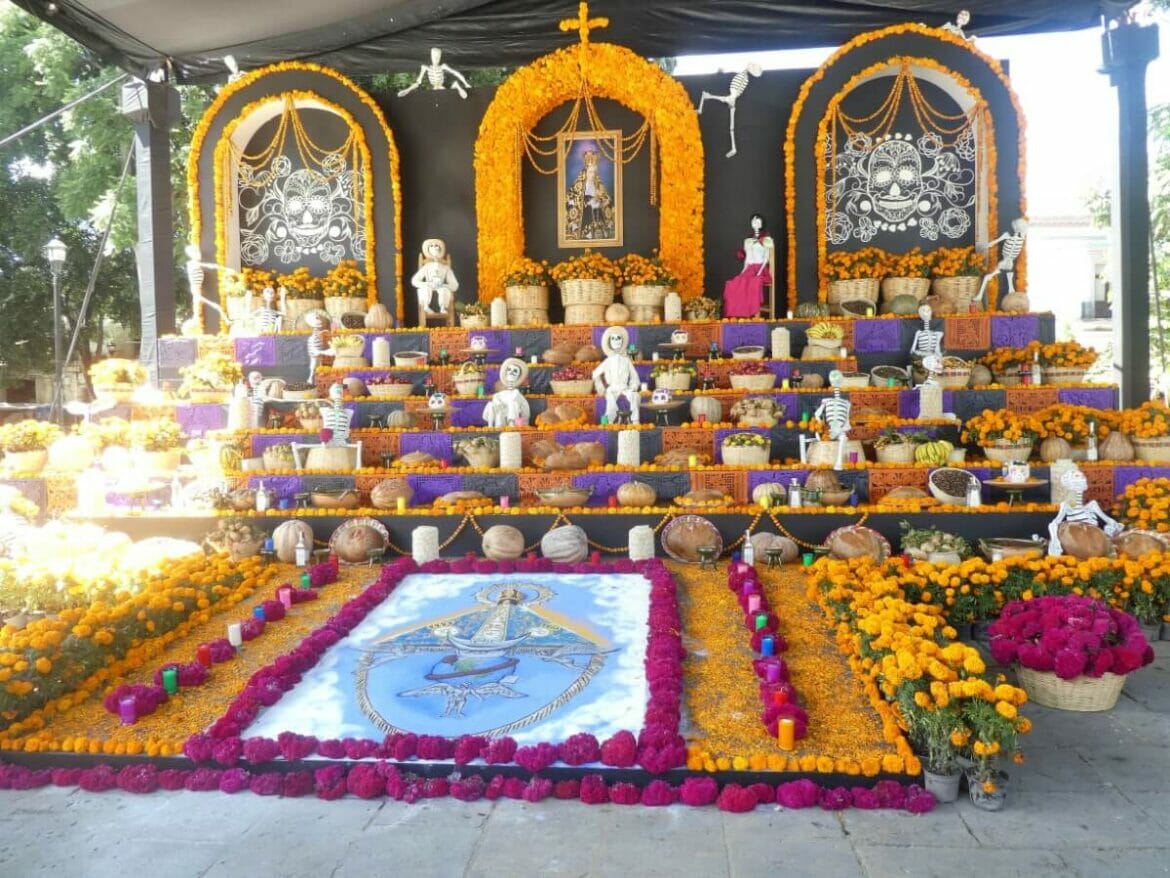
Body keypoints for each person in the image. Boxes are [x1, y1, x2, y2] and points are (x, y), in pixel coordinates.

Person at [722, 213, 773, 317]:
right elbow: (748, 259)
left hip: (761, 269)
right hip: (750, 268)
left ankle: (753, 311)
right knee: (735, 283)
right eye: (754, 221)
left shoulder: (766, 239)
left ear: (762, 223)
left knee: (753, 283)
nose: (756, 223)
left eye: (758, 221)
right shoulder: (748, 241)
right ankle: (739, 312)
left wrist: (759, 272)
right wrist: (742, 272)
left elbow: (767, 257)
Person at [565, 149, 615, 241]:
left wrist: (603, 200)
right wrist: (587, 202)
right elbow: (570, 198)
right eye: (590, 172)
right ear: (586, 172)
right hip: (586, 217)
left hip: (598, 218)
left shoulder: (599, 185)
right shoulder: (579, 185)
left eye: (594, 172)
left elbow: (607, 200)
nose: (592, 175)